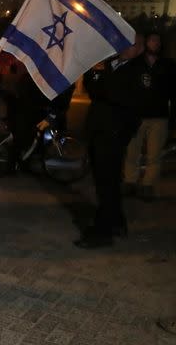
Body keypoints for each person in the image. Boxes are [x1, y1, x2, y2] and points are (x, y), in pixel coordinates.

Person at [75, 35, 144, 248]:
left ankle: (102, 232)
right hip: (98, 129)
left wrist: (123, 134)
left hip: (114, 133)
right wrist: (91, 72)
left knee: (107, 182)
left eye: (132, 44)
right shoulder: (109, 64)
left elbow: (120, 97)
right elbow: (92, 88)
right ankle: (117, 221)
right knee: (105, 180)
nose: (125, 46)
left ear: (140, 49)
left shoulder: (138, 71)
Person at [123, 32, 176, 200]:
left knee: (154, 154)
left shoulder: (168, 65)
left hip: (159, 117)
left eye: (158, 40)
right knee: (132, 152)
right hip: (136, 116)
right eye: (153, 40)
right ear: (146, 42)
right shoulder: (135, 64)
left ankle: (147, 185)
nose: (156, 43)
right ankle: (129, 181)